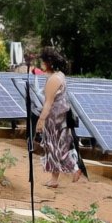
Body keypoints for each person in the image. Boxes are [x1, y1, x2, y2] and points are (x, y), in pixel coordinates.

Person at [35, 47, 81, 188]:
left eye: (42, 61)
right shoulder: (60, 75)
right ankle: (60, 176)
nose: (41, 65)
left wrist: (41, 120)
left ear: (48, 62)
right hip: (61, 116)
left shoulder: (53, 79)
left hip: (54, 118)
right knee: (58, 146)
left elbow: (48, 102)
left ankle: (71, 170)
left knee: (53, 146)